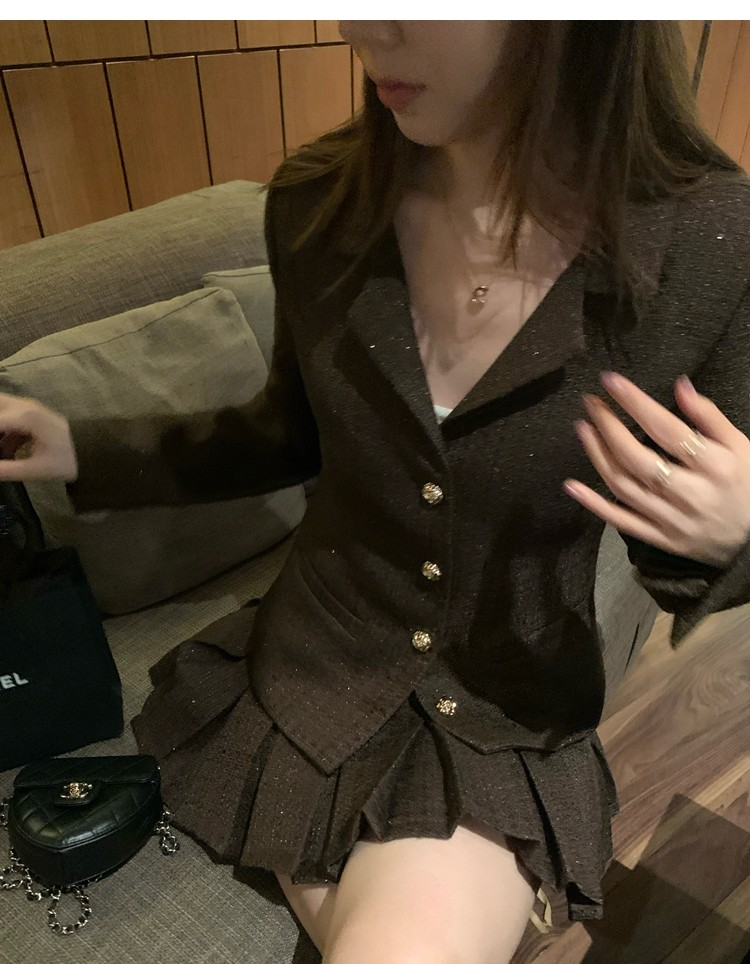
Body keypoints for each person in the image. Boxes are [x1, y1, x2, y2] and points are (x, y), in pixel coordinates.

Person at [2, 20, 750, 964]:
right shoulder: (319, 201)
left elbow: (675, 545)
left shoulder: (709, 237)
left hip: (497, 707)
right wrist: (81, 448)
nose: (362, 23)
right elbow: (284, 434)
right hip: (315, 665)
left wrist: (738, 533)